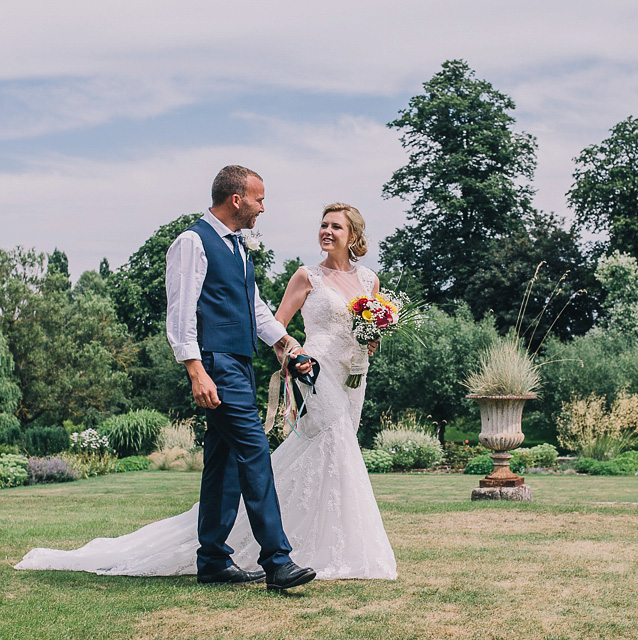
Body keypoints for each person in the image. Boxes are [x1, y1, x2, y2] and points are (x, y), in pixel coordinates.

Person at [15, 195, 397, 583]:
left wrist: (287, 347)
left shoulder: (239, 248)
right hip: (216, 365)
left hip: (247, 364)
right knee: (254, 452)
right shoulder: (193, 242)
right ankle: (278, 560)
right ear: (238, 198)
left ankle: (213, 559)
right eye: (259, 199)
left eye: (336, 226)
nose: (264, 207)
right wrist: (195, 370)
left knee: (222, 461)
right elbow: (179, 313)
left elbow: (257, 310)